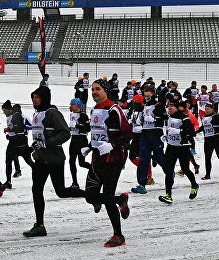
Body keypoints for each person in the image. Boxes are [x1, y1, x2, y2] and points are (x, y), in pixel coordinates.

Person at [23, 86, 87, 237]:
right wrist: (33, 147)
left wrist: (47, 143)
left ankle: (92, 196)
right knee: (36, 190)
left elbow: (65, 133)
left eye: (37, 97)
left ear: (44, 98)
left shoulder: (52, 112)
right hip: (40, 159)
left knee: (61, 191)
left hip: (54, 159)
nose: (34, 100)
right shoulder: (37, 114)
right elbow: (40, 136)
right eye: (33, 97)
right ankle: (39, 225)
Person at [81, 82, 132, 247]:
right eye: (92, 90)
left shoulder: (114, 110)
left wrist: (113, 145)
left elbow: (128, 134)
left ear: (106, 91)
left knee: (107, 196)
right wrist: (90, 146)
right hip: (97, 159)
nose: (94, 92)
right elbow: (98, 132)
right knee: (90, 196)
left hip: (113, 160)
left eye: (98, 89)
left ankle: (118, 235)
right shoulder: (94, 109)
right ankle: (120, 199)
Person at [158, 98, 199, 205]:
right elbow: (169, 130)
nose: (169, 108)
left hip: (182, 148)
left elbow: (191, 134)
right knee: (169, 171)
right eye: (168, 106)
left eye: (172, 106)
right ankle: (168, 195)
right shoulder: (169, 118)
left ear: (177, 107)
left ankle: (194, 184)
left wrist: (179, 131)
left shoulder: (184, 119)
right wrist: (166, 137)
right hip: (171, 147)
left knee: (185, 169)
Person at [133, 85, 166, 194]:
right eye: (145, 92)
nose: (146, 94)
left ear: (152, 93)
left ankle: (169, 171)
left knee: (158, 156)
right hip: (145, 133)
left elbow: (164, 118)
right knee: (143, 159)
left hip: (155, 133)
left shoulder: (158, 104)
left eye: (147, 92)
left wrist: (154, 119)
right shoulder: (144, 105)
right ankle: (142, 184)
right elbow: (142, 118)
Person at [1, 100, 33, 189]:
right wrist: (9, 131)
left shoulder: (23, 117)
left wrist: (23, 129)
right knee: (8, 161)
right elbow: (14, 129)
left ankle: (38, 172)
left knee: (28, 160)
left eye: (5, 111)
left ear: (10, 110)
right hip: (12, 142)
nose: (3, 113)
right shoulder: (9, 117)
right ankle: (9, 181)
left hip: (22, 141)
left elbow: (31, 126)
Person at [67, 98, 90, 190]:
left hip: (81, 140)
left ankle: (96, 171)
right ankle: (75, 183)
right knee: (71, 161)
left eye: (72, 104)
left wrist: (76, 125)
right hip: (74, 139)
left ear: (77, 106)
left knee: (82, 163)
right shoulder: (71, 115)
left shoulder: (83, 115)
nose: (70, 106)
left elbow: (88, 129)